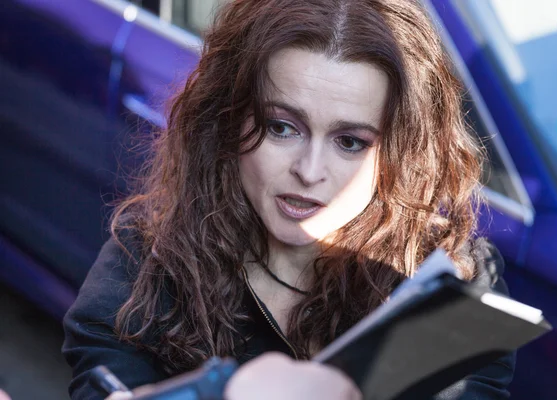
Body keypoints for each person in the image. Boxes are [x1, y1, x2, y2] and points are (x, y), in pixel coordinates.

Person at [62, 0, 515, 399]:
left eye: (350, 142)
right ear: (229, 121)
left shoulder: (456, 284)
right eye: (282, 127)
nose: (309, 170)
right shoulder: (143, 266)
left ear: (400, 153)